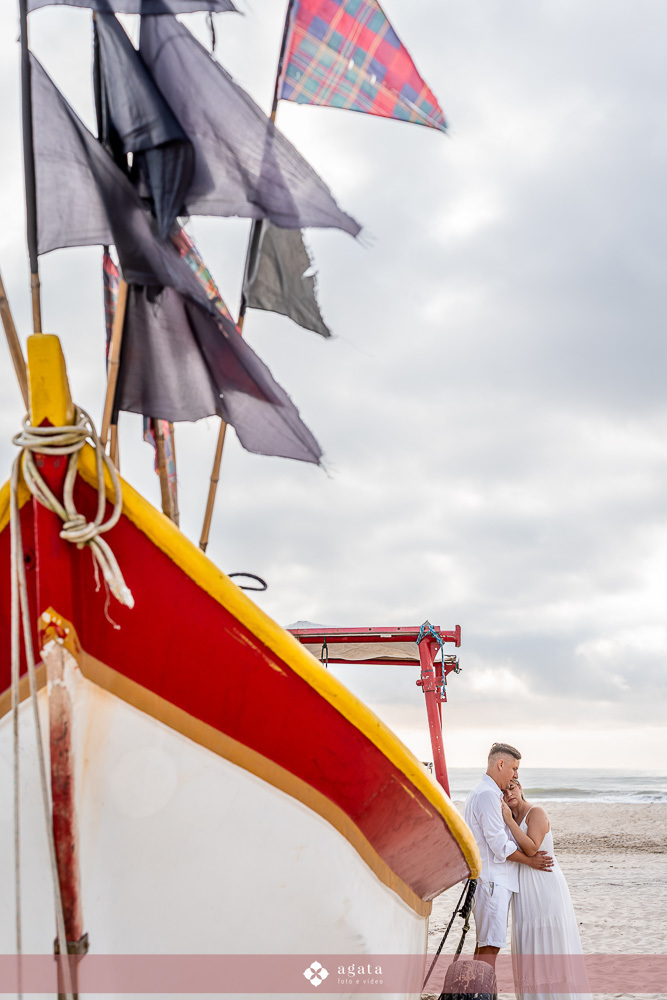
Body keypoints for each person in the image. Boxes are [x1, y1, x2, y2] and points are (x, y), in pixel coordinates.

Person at [464, 743, 554, 969]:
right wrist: (530, 861)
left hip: (492, 880)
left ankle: (479, 992)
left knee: (486, 944)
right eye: (514, 768)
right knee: (489, 947)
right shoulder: (487, 795)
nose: (516, 774)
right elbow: (499, 846)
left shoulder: (487, 792)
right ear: (500, 764)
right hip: (493, 880)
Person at [502, 778, 591, 999]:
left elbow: (532, 848)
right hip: (523, 890)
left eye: (511, 788)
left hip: (545, 886)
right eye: (503, 792)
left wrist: (508, 820)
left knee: (551, 947)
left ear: (520, 788)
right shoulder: (508, 820)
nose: (508, 794)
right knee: (530, 946)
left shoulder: (536, 812)